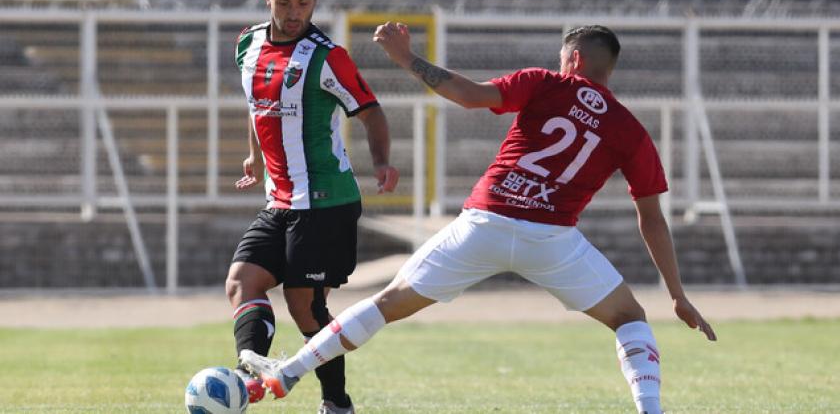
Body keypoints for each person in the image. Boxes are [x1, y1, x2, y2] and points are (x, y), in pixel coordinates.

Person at [240, 23, 716, 414]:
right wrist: (677, 295)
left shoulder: (546, 83)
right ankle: (650, 411)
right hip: (552, 239)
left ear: (571, 60)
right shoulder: (630, 129)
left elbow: (468, 94)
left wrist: (407, 58)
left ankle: (287, 373)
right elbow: (651, 217)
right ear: (607, 68)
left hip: (485, 222)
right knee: (630, 317)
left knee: (386, 303)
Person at [226, 0, 399, 414]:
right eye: (284, 2)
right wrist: (253, 155)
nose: (294, 12)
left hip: (326, 202)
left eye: (304, 2)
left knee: (305, 306)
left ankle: (336, 404)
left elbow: (372, 114)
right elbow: (256, 104)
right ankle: (250, 370)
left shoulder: (326, 56)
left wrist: (381, 162)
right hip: (279, 200)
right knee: (242, 281)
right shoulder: (248, 44)